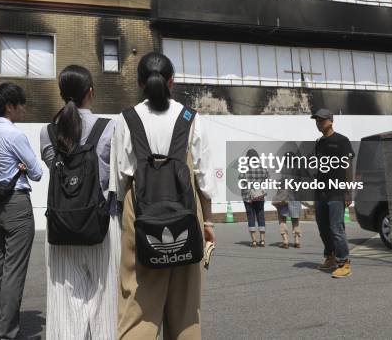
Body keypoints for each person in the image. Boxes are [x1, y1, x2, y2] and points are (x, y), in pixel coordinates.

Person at [110, 52, 216, 339]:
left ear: (140, 82)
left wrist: (125, 217)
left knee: (138, 304)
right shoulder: (191, 119)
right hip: (185, 209)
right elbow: (205, 181)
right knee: (185, 308)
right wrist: (208, 224)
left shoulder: (126, 119)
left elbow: (120, 178)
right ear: (172, 81)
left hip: (140, 210)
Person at [40, 65, 120, 340]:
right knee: (103, 302)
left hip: (60, 226)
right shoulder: (109, 127)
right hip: (100, 224)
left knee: (64, 303)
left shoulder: (48, 132)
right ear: (91, 92)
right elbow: (117, 178)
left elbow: (56, 170)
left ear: (62, 94)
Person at [0, 82, 46, 340]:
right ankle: (7, 333)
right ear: (10, 107)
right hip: (17, 204)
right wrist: (23, 166)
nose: (24, 109)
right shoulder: (15, 135)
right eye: (21, 104)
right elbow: (38, 172)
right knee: (14, 271)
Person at [311, 108, 354, 278]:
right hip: (321, 192)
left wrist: (348, 192)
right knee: (323, 228)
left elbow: (348, 167)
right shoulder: (318, 142)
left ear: (330, 121)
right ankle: (330, 257)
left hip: (336, 192)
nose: (318, 123)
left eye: (321, 120)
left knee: (336, 227)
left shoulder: (342, 141)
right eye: (316, 120)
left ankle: (344, 263)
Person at [240, 148, 269, 247]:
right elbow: (267, 178)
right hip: (259, 196)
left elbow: (241, 180)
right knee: (261, 216)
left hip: (248, 197)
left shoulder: (244, 168)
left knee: (251, 217)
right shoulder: (262, 168)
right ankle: (263, 240)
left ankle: (254, 241)